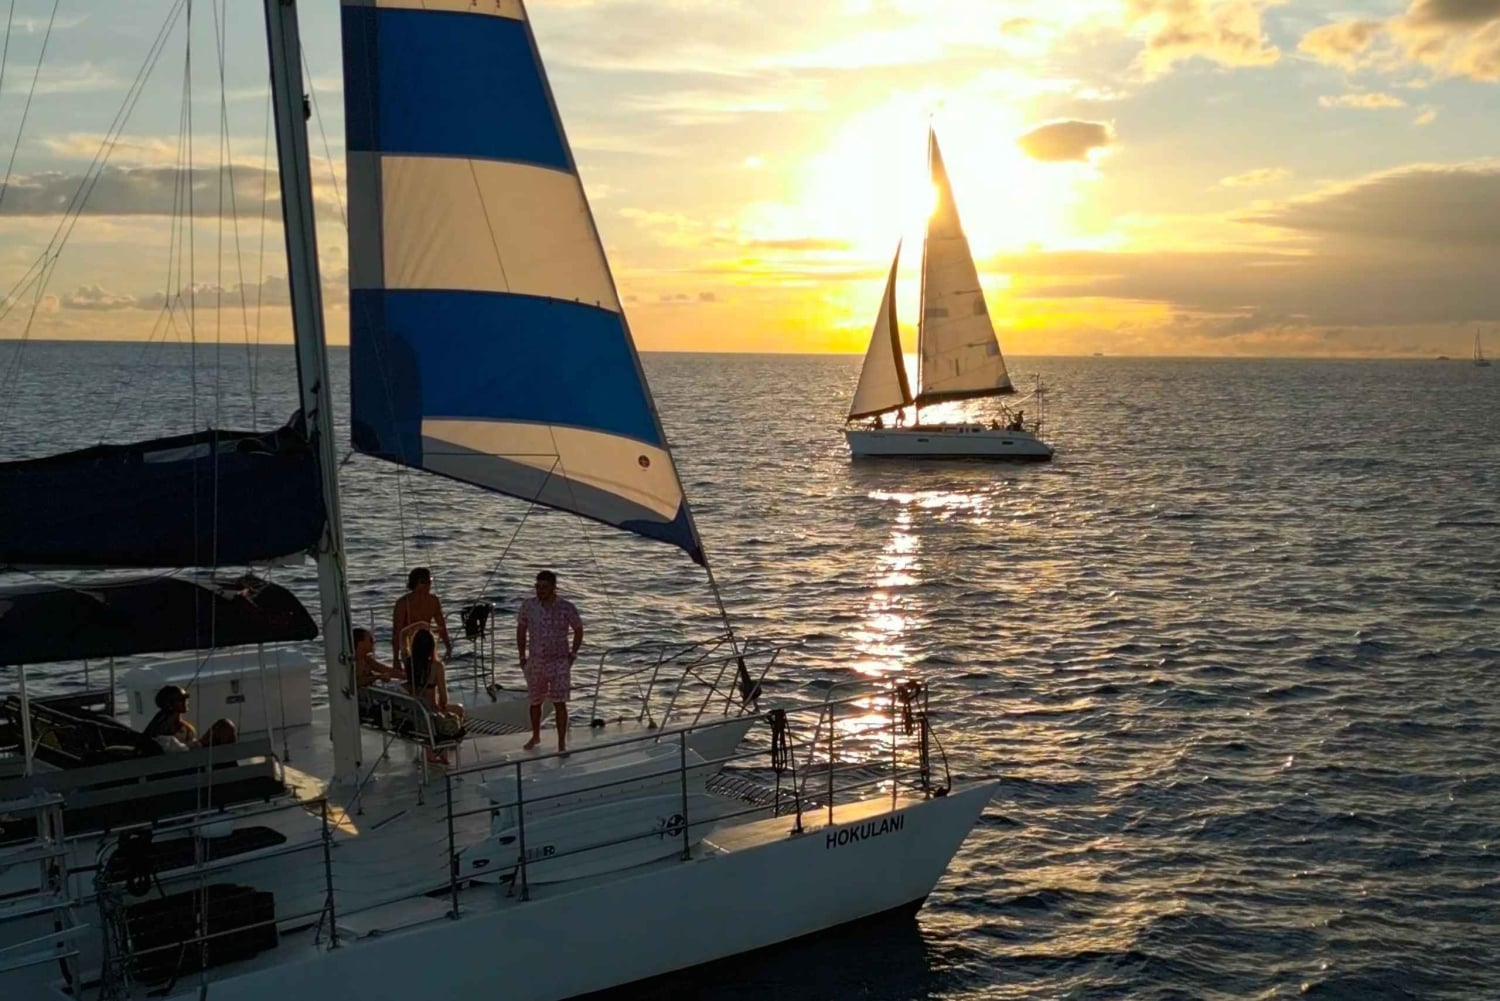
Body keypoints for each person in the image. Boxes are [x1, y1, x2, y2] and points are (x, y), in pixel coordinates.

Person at [516, 569, 583, 752]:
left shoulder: (566, 607)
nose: (540, 590)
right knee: (535, 701)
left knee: (559, 702)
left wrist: (573, 654)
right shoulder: (528, 606)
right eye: (537, 587)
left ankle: (561, 743)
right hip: (536, 660)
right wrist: (522, 656)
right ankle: (535, 735)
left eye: (544, 587)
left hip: (559, 661)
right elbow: (521, 630)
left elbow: (578, 629)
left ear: (554, 588)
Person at [407, 627, 465, 764]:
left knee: (436, 715)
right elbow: (443, 700)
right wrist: (441, 706)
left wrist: (417, 624)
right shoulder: (437, 666)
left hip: (415, 712)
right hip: (430, 714)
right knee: (459, 710)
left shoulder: (409, 662)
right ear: (432, 646)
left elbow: (402, 635)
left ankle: (432, 752)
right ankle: (442, 750)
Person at [142, 685, 237, 752]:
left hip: (192, 757)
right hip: (188, 765)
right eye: (181, 699)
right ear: (169, 705)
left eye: (186, 697)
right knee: (225, 725)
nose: (186, 701)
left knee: (225, 726)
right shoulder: (161, 728)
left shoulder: (185, 727)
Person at [392, 567, 452, 665]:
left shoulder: (433, 601)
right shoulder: (403, 603)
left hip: (427, 643)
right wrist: (395, 659)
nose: (430, 584)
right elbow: (397, 631)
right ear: (420, 583)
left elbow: (441, 626)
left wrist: (448, 647)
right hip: (409, 646)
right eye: (429, 581)